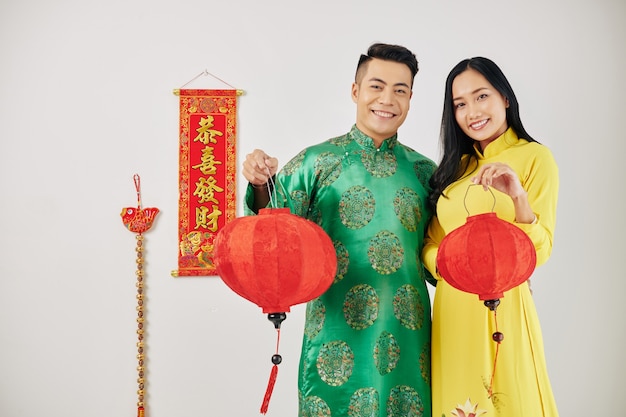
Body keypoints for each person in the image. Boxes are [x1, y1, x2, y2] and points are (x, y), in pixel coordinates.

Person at [242, 43, 435, 416]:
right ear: (355, 91)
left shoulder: (426, 173)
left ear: (411, 99)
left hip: (408, 335)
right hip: (334, 333)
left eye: (400, 90)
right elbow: (273, 233)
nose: (387, 99)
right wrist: (260, 183)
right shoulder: (318, 162)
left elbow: (441, 259)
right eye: (376, 86)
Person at [422, 56, 559, 416]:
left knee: (510, 398)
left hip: (505, 305)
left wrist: (517, 196)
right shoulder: (454, 169)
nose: (472, 112)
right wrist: (455, 264)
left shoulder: (534, 158)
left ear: (505, 98)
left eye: (481, 96)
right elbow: (430, 246)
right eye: (460, 104)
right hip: (454, 308)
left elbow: (540, 248)